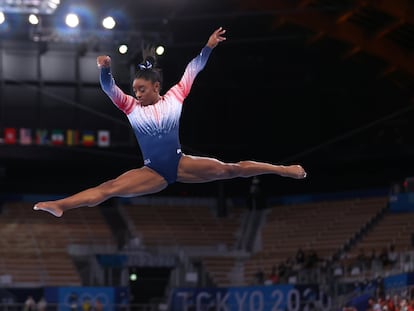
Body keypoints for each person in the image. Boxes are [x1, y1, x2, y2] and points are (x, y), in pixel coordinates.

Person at [33, 27, 307, 217]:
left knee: (230, 169)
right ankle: (61, 206)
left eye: (141, 90)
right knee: (108, 189)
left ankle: (283, 170)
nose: (136, 94)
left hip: (180, 164)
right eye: (135, 90)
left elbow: (193, 69)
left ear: (156, 87)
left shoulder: (175, 96)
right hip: (153, 172)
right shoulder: (130, 106)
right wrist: (105, 69)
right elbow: (108, 88)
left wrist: (208, 47)